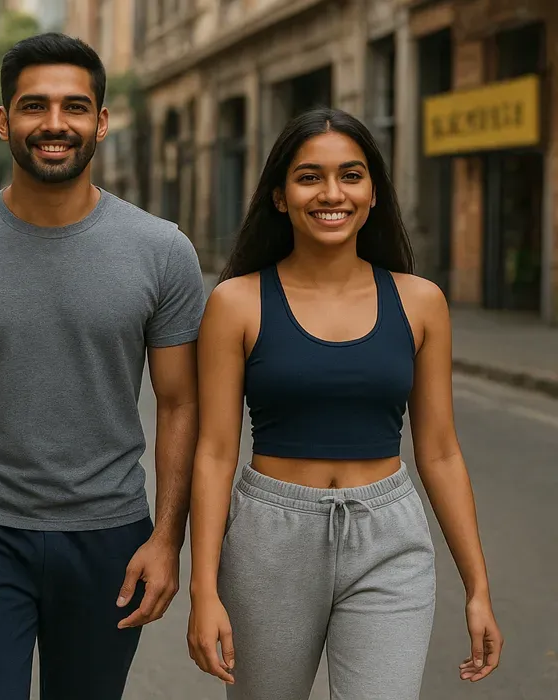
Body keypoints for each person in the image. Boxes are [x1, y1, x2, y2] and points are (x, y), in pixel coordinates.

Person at [0, 33, 205, 699]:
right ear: (5, 120)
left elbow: (180, 405)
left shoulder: (163, 251)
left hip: (111, 537)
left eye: (74, 107)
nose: (54, 124)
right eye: (34, 106)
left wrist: (167, 539)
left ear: (101, 122)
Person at [186, 108, 504, 699]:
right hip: (269, 540)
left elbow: (438, 452)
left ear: (373, 192)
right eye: (310, 177)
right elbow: (213, 453)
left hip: (389, 541)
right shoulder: (236, 303)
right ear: (280, 196)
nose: (331, 193)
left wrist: (477, 587)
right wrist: (203, 588)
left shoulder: (421, 302)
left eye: (351, 175)